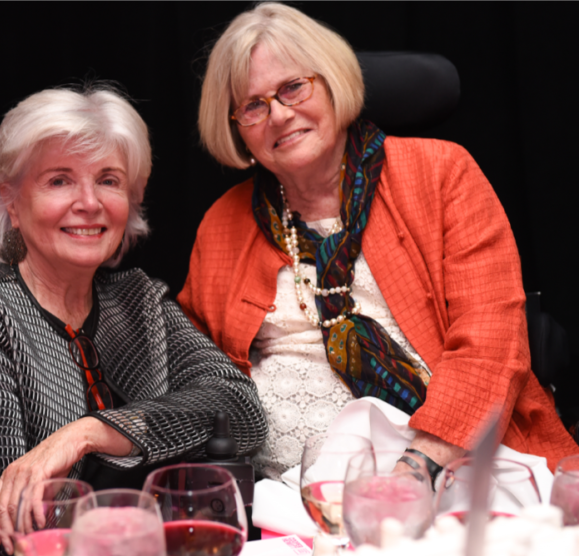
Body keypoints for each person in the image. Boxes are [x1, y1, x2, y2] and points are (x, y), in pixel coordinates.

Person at [177, 2, 577, 484]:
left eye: (292, 88)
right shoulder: (223, 224)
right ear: (236, 126)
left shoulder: (442, 174)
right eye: (254, 105)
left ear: (332, 81)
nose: (279, 115)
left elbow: (490, 343)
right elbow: (197, 370)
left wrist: (414, 469)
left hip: (453, 472)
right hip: (282, 495)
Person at [0, 85, 267, 555]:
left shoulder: (138, 299)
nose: (89, 202)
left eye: (108, 180)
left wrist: (88, 434)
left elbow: (239, 412)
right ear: (12, 203)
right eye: (59, 180)